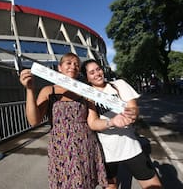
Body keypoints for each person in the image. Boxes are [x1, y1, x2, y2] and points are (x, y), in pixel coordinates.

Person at [19, 53, 133, 189]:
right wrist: (30, 90)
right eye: (69, 63)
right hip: (61, 148)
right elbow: (34, 120)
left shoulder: (86, 92)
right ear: (59, 67)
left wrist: (113, 121)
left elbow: (92, 121)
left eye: (76, 64)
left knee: (86, 183)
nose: (73, 66)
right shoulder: (49, 90)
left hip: (85, 145)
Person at [81, 59, 162, 189]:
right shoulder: (88, 95)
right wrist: (112, 122)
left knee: (154, 186)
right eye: (92, 72)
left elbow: (134, 108)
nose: (97, 73)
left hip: (131, 147)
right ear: (87, 78)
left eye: (98, 69)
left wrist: (132, 114)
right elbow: (93, 123)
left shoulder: (119, 84)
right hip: (107, 152)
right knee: (111, 186)